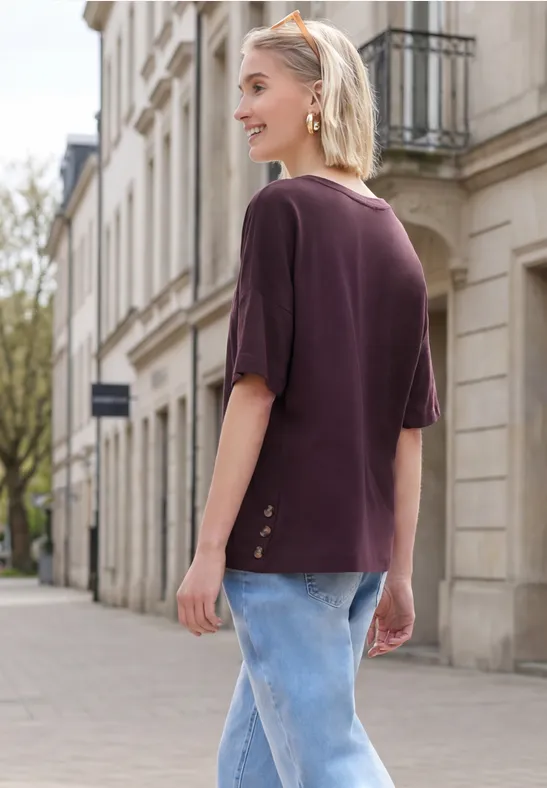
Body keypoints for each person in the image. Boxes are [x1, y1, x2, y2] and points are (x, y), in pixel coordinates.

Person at [176, 10, 440, 787]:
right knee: (250, 764)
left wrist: (210, 549)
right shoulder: (396, 238)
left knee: (327, 763)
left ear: (315, 98)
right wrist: (397, 572)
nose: (241, 109)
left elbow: (253, 392)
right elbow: (407, 432)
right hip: (354, 556)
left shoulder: (280, 210)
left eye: (259, 86)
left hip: (282, 549)